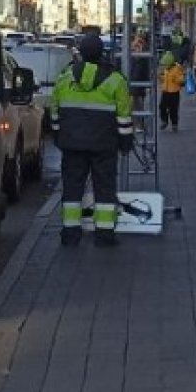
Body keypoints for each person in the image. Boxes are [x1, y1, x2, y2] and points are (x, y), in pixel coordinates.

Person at [50, 34, 134, 248]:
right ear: (101, 53)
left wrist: (58, 135)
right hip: (104, 145)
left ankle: (70, 234)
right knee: (104, 188)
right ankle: (104, 235)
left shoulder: (65, 77)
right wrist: (125, 143)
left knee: (72, 189)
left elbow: (54, 110)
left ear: (81, 53)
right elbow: (124, 116)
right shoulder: (116, 80)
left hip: (72, 145)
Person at [158, 51, 185, 131]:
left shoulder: (177, 68)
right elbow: (164, 79)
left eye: (166, 65)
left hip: (174, 92)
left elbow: (181, 80)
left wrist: (176, 80)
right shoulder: (166, 69)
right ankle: (164, 121)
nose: (164, 67)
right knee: (162, 106)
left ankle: (174, 124)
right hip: (165, 91)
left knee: (173, 109)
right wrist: (160, 77)